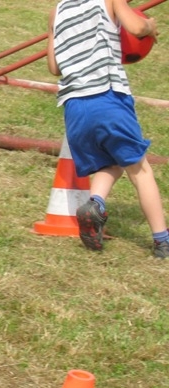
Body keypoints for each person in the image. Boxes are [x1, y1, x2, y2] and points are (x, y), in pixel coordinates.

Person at [47, 0, 169, 258]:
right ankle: (162, 241)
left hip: (74, 108)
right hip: (108, 98)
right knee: (140, 170)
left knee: (110, 162)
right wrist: (150, 26)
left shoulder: (57, 10)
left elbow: (54, 67)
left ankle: (95, 205)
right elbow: (136, 28)